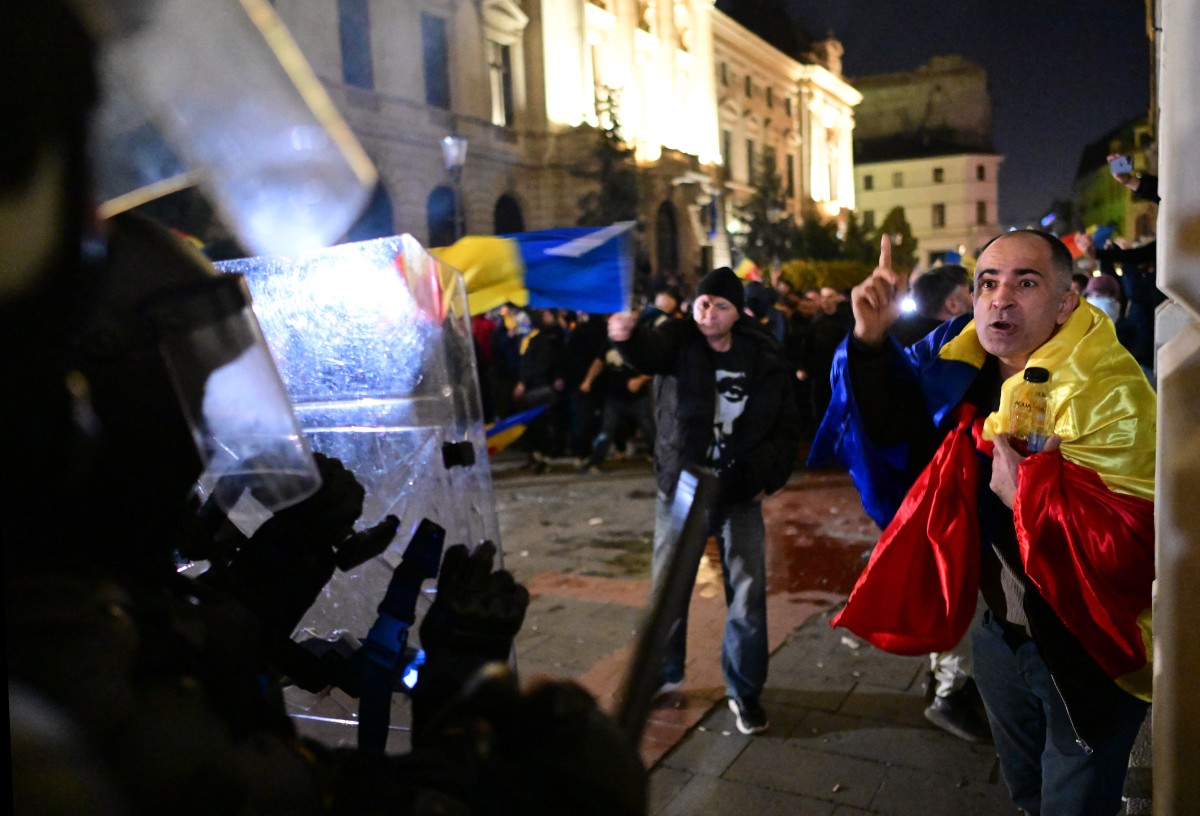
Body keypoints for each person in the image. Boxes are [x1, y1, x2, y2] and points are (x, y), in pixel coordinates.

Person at [810, 231, 1155, 815]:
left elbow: (1140, 542)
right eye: (988, 283)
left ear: (1066, 303)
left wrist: (1032, 500)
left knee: (1074, 801)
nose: (1001, 299)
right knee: (1025, 788)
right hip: (997, 634)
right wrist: (869, 341)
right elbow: (899, 434)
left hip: (1086, 649)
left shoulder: (1109, 388)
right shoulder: (956, 356)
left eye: (1026, 282)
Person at [608, 267, 800, 735]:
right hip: (683, 490)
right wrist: (626, 337)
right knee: (668, 589)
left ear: (737, 313)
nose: (708, 312)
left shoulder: (761, 352)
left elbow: (786, 422)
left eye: (719, 305)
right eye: (702, 303)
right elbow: (647, 354)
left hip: (738, 493)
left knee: (747, 595)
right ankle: (665, 671)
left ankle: (745, 691)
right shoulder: (677, 339)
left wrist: (769, 478)